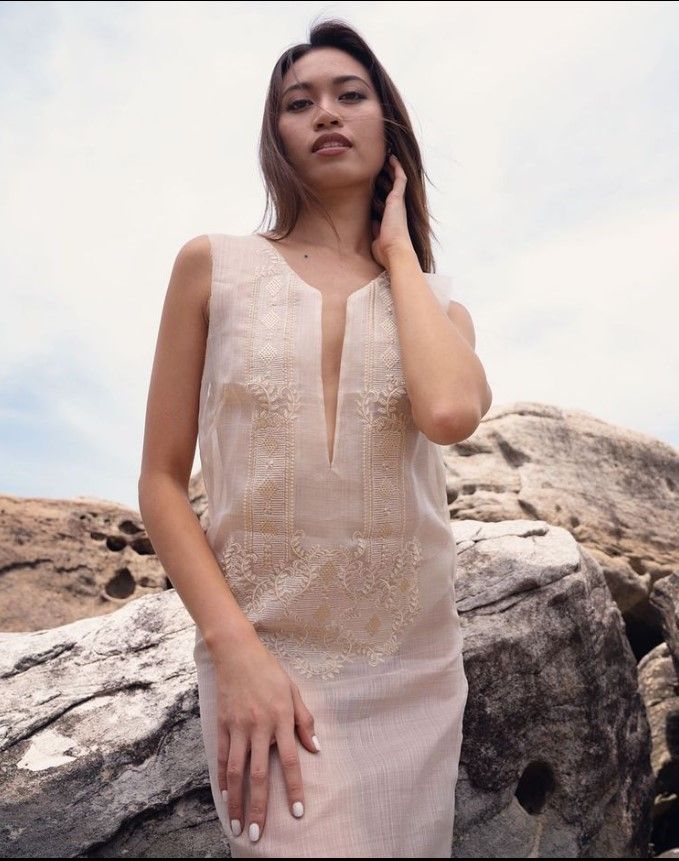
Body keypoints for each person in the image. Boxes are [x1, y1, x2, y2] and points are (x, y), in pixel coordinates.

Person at [138, 18, 492, 859]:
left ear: (387, 126)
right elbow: (159, 479)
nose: (325, 113)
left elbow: (449, 412)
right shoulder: (211, 266)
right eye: (299, 103)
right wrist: (234, 650)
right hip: (264, 656)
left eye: (349, 95)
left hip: (411, 666)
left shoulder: (438, 306)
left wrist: (397, 254)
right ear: (276, 138)